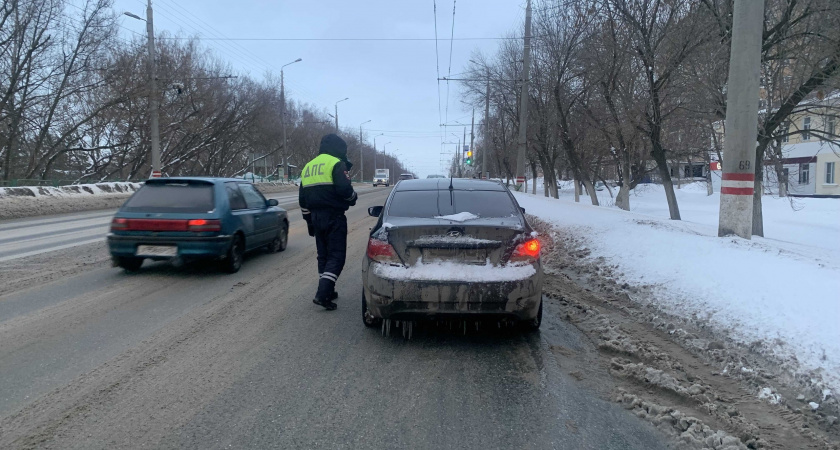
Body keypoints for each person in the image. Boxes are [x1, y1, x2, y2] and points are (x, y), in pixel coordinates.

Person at [299, 134, 358, 310]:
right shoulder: (336, 163)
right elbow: (344, 189)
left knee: (323, 255)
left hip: (316, 217)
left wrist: (309, 221)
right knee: (337, 256)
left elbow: (302, 199)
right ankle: (323, 294)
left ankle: (328, 289)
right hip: (334, 216)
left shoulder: (308, 167)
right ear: (339, 149)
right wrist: (353, 197)